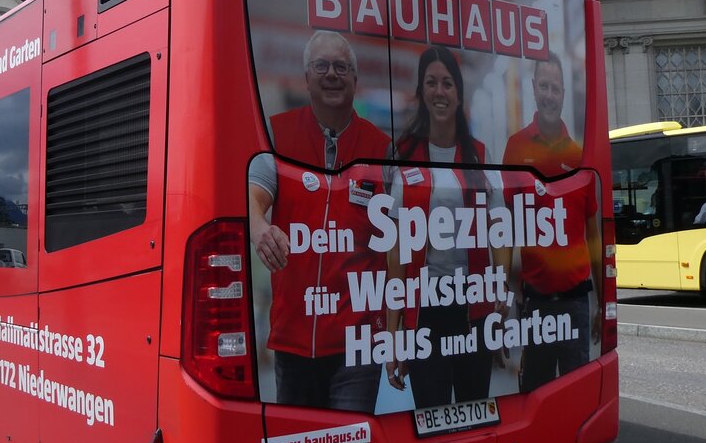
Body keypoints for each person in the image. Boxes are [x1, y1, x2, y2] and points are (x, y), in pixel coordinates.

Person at [248, 31, 390, 411]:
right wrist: (259, 227)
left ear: (355, 81)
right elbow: (255, 197)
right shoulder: (276, 134)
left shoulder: (382, 148)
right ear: (306, 77)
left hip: (359, 344)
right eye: (322, 66)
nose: (332, 74)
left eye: (342, 67)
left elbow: (397, 246)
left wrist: (396, 332)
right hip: (293, 337)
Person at [383, 46, 503, 409]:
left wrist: (500, 301)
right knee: (431, 415)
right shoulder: (403, 154)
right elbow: (396, 253)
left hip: (473, 311)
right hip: (426, 313)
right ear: (420, 92)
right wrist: (393, 334)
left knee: (474, 412)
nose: (440, 91)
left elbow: (499, 227)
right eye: (431, 83)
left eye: (448, 83)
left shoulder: (479, 155)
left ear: (459, 93)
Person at [502, 52, 601, 394]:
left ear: (562, 94)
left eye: (555, 88)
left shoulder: (578, 157)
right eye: (543, 86)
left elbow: (593, 237)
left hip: (576, 304)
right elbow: (505, 232)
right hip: (535, 304)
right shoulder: (514, 149)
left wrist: (602, 303)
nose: (548, 94)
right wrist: (502, 303)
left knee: (576, 394)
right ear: (533, 88)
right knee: (534, 393)